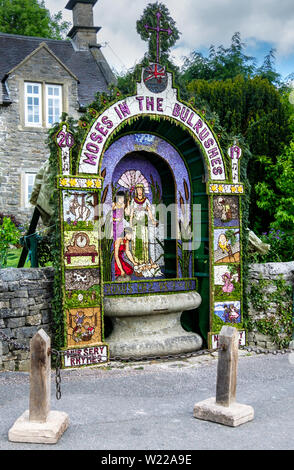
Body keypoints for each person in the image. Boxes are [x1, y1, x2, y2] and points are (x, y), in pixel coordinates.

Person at [129, 183, 157, 264]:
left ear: (143, 191)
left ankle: (144, 261)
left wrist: (152, 220)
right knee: (136, 242)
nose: (139, 191)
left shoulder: (146, 200)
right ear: (136, 191)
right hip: (135, 224)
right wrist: (130, 225)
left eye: (141, 190)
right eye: (138, 190)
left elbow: (150, 212)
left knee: (144, 241)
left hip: (143, 224)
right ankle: (137, 261)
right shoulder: (133, 201)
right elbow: (131, 214)